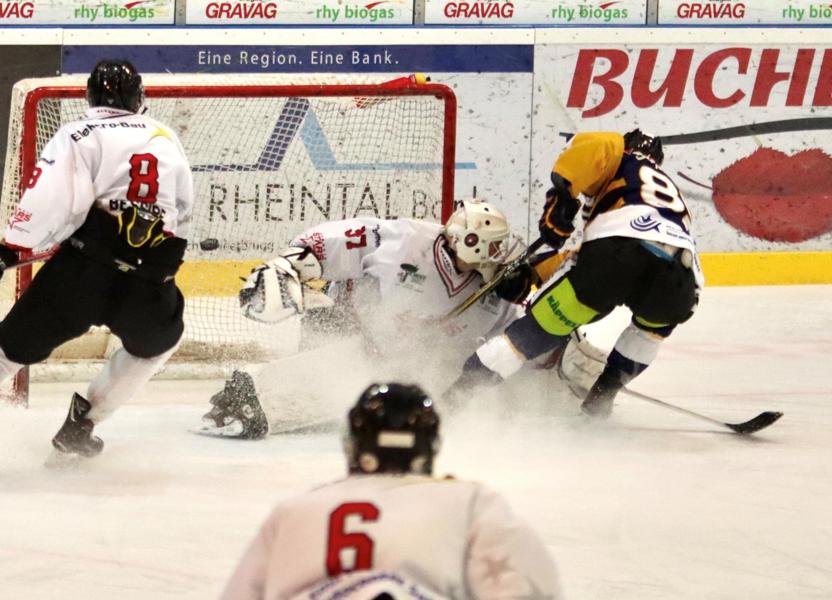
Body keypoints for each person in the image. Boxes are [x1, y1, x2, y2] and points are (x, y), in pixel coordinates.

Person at [0, 59, 194, 460]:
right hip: (149, 280)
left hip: (82, 273)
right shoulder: (166, 136)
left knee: (5, 350)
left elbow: (51, 199)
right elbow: (180, 211)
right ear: (138, 97)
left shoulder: (80, 132)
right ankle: (83, 424)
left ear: (90, 96)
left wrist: (3, 249)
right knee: (154, 347)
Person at [197, 201, 604, 439]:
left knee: (370, 397)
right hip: (343, 323)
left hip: (397, 360)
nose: (503, 256)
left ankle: (275, 398)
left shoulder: (495, 297)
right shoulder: (405, 241)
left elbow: (517, 343)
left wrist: (562, 352)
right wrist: (290, 264)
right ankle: (259, 397)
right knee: (327, 374)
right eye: (494, 247)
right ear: (470, 244)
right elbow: (332, 239)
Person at [220, 382, 564, 599]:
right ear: (430, 447)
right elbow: (532, 588)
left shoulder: (295, 510)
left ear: (355, 445)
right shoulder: (470, 502)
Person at [451, 130, 702, 418]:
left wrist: (562, 197)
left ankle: (455, 398)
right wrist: (535, 270)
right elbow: (601, 254)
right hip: (681, 278)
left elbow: (596, 148)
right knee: (651, 332)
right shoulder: (663, 195)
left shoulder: (621, 155)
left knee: (530, 335)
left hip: (615, 258)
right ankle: (600, 400)